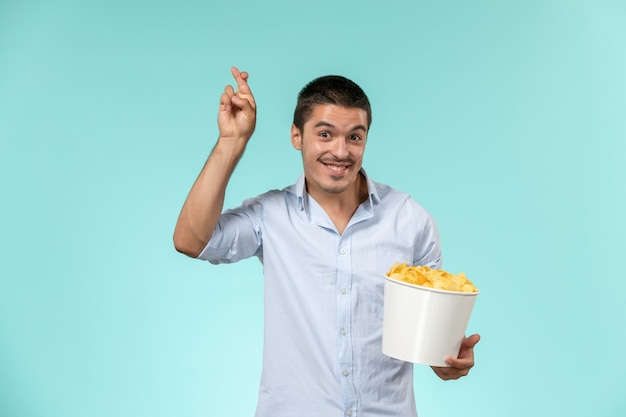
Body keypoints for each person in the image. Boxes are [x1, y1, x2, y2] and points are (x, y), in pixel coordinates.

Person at [173, 67, 480, 417]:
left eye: (355, 137)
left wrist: (447, 361)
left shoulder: (410, 221)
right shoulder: (270, 216)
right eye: (325, 134)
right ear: (296, 136)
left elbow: (429, 338)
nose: (341, 151)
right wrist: (231, 142)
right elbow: (190, 240)